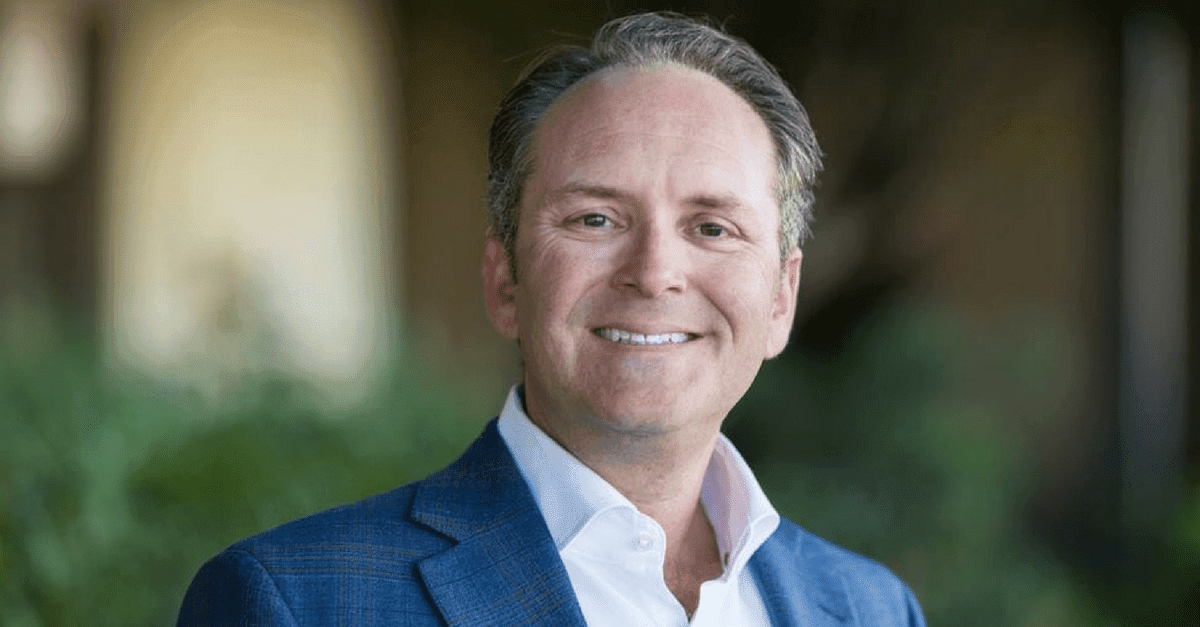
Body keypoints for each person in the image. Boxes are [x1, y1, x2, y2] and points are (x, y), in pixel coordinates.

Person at [177, 12, 926, 626]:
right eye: (596, 218)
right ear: (505, 278)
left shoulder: (873, 608)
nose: (655, 272)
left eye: (712, 227)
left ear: (780, 299)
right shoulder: (292, 603)